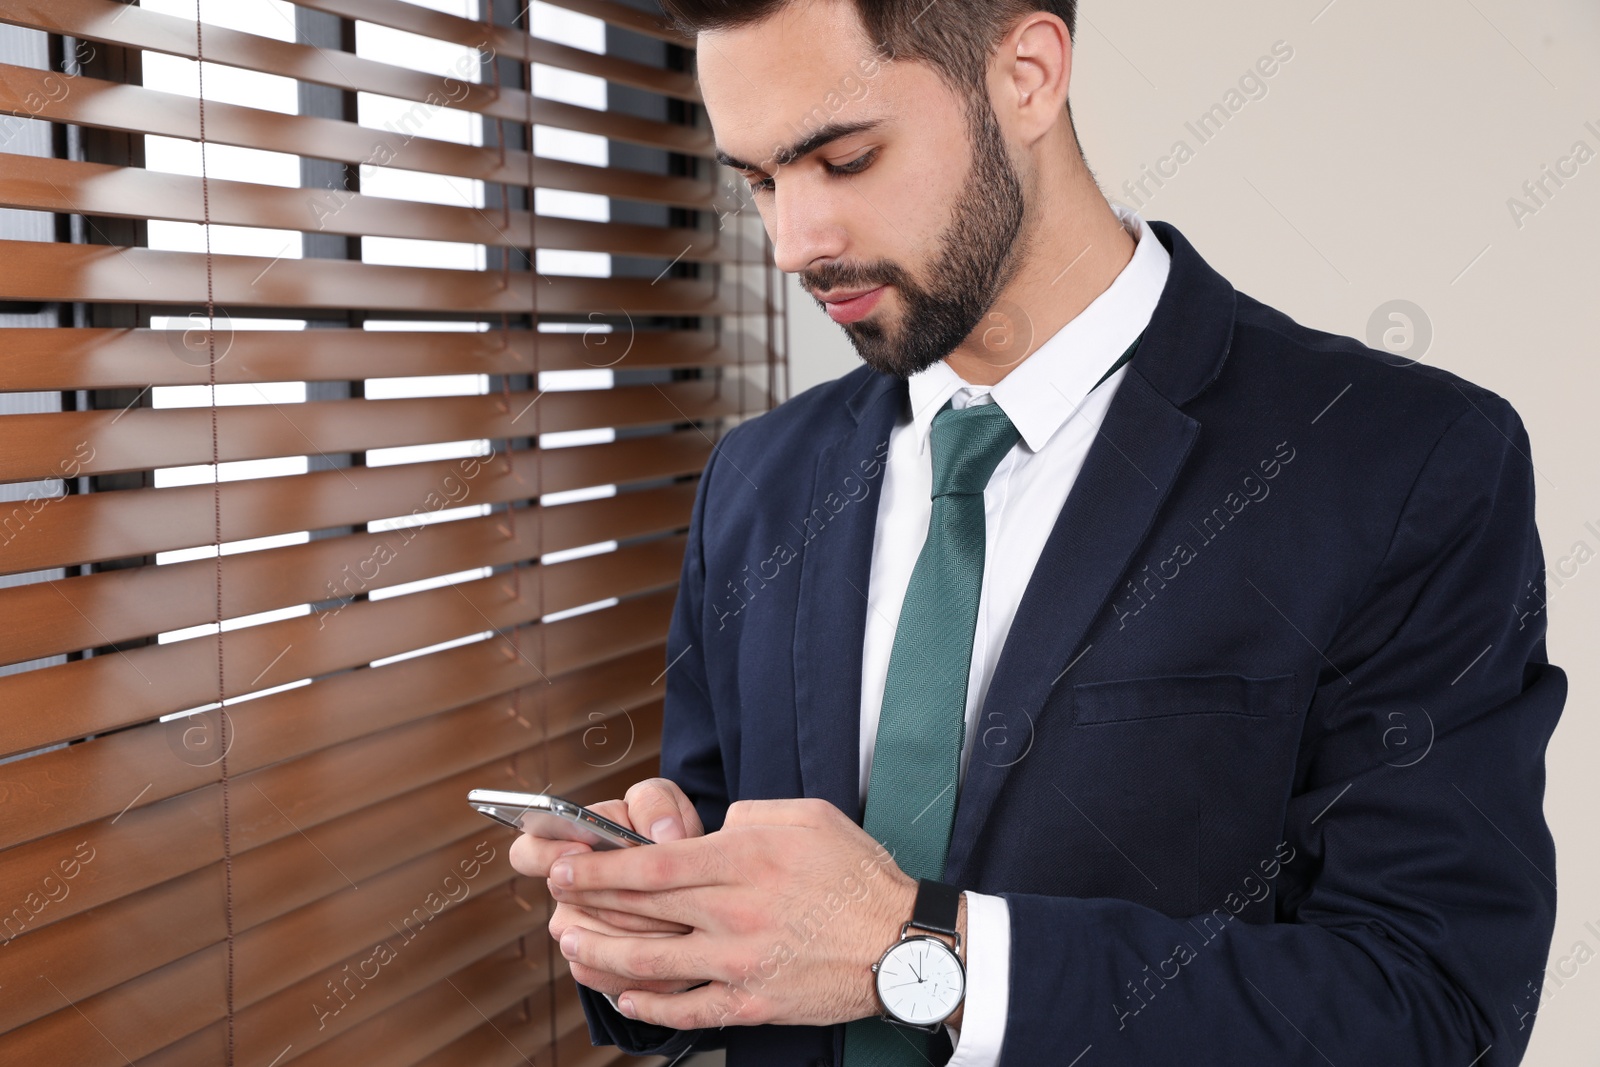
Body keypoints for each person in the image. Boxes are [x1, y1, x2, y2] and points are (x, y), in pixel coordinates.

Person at [508, 1, 1565, 1064]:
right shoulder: (758, 478)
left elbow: (1435, 1009)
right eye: (758, 182)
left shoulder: (1399, 462)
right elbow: (735, 896)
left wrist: (919, 952)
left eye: (845, 159)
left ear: (1026, 76)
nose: (794, 243)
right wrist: (648, 917)